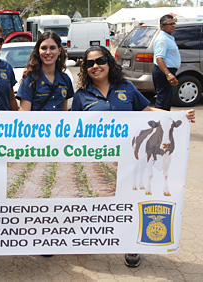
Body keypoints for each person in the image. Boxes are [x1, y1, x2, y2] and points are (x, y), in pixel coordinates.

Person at [72, 45, 194, 267]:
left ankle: (131, 247)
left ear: (109, 62)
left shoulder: (126, 87)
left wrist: (181, 116)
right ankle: (90, 241)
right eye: (89, 64)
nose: (95, 67)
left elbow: (147, 112)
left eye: (100, 61)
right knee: (96, 203)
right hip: (97, 159)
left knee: (129, 203)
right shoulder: (81, 95)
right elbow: (74, 128)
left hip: (129, 159)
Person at [16, 31, 74, 111]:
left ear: (59, 50)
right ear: (38, 51)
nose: (48, 52)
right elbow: (24, 116)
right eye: (44, 48)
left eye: (52, 48)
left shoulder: (65, 79)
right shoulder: (30, 80)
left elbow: (64, 112)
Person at [152, 14, 180, 111]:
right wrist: (168, 74)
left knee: (167, 100)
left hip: (168, 71)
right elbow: (159, 58)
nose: (173, 26)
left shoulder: (168, 37)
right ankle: (159, 123)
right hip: (163, 72)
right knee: (162, 100)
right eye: (170, 24)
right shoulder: (162, 39)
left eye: (173, 23)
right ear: (162, 26)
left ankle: (165, 123)